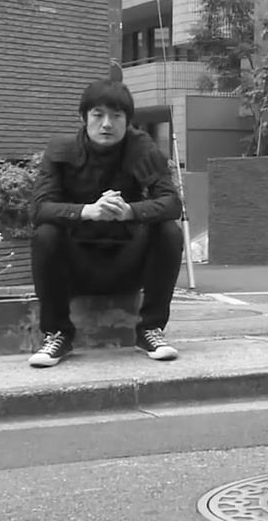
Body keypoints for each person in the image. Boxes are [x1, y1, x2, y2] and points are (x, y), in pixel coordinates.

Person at [26, 78, 184, 367]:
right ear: (83, 118)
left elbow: (172, 203)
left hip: (126, 262)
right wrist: (88, 211)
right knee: (45, 233)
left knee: (169, 231)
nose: (107, 124)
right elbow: (39, 209)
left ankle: (150, 328)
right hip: (76, 266)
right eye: (98, 115)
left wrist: (129, 211)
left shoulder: (142, 149)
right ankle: (57, 333)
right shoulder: (61, 150)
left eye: (116, 116)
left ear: (128, 120)